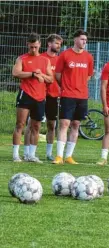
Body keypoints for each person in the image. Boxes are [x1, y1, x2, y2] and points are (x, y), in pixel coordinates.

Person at [52, 29, 94, 164]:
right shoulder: (65, 55)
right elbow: (57, 75)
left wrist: (80, 85)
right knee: (64, 123)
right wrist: (66, 86)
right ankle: (59, 156)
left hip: (82, 96)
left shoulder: (88, 57)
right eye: (82, 39)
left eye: (86, 40)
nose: (84, 42)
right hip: (67, 94)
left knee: (76, 124)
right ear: (75, 39)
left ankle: (68, 156)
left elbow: (88, 76)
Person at [12, 33, 53, 162]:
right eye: (31, 47)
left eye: (35, 47)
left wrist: (41, 75)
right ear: (27, 45)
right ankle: (15, 155)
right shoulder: (22, 58)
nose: (33, 50)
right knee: (20, 124)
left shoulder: (45, 60)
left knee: (36, 126)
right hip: (25, 95)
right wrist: (32, 74)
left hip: (40, 97)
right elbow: (16, 73)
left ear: (40, 44)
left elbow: (51, 79)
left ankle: (31, 155)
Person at [23, 34, 63, 161]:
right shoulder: (41, 58)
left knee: (52, 125)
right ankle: (27, 152)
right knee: (31, 124)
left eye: (60, 44)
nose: (59, 46)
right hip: (37, 95)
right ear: (49, 44)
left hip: (53, 96)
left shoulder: (60, 60)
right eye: (57, 43)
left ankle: (49, 153)